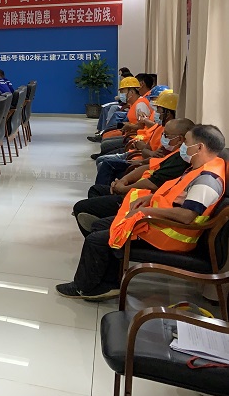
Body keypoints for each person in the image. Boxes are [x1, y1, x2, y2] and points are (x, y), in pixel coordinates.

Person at [57, 124, 226, 301]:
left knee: (96, 239)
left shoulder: (207, 180)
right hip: (157, 222)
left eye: (187, 142)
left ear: (199, 147)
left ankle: (85, 288)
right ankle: (108, 282)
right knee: (99, 226)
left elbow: (187, 216)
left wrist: (147, 210)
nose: (183, 146)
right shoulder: (199, 168)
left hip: (167, 235)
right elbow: (176, 196)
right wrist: (151, 197)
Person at [72, 119, 193, 236]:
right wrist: (124, 181)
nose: (163, 138)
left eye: (166, 135)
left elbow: (153, 184)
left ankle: (101, 231)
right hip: (135, 191)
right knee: (96, 190)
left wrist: (124, 188)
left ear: (181, 139)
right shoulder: (172, 152)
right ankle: (102, 224)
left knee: (82, 207)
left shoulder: (182, 161)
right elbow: (148, 165)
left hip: (139, 200)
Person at [92, 91, 178, 184]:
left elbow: (157, 159)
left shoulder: (170, 134)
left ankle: (105, 189)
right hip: (137, 151)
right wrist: (148, 152)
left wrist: (143, 158)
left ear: (167, 113)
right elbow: (146, 150)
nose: (156, 113)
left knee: (104, 163)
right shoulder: (159, 127)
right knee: (102, 159)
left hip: (140, 160)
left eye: (158, 111)